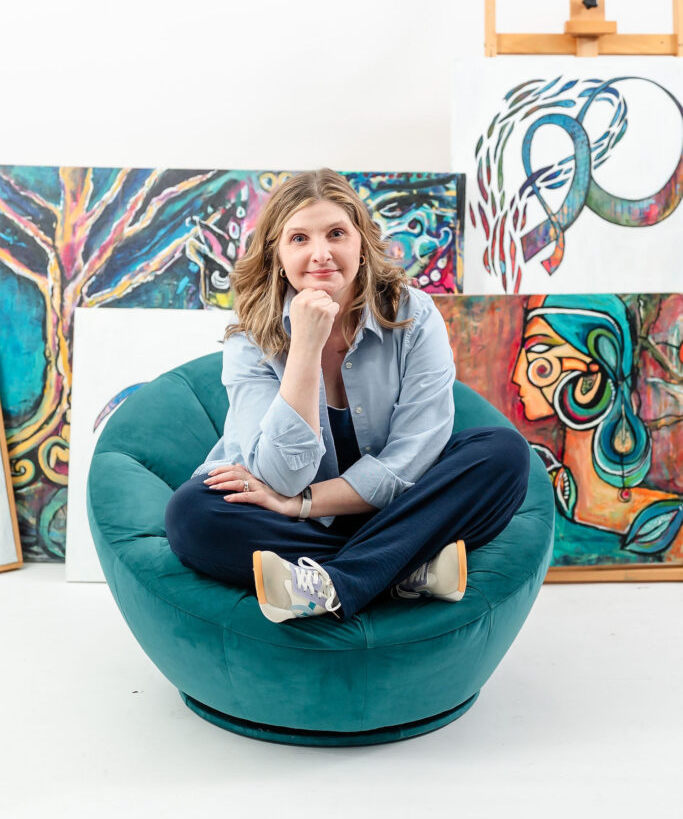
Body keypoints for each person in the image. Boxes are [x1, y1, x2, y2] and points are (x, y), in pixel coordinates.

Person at [165, 168, 530, 623]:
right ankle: (406, 566)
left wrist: (302, 503)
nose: (321, 254)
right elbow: (278, 477)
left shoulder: (414, 315)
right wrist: (304, 347)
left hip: (394, 505)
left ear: (361, 241)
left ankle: (333, 581)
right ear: (278, 255)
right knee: (191, 514)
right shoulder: (249, 338)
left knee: (504, 453)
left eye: (336, 233)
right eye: (299, 239)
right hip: (296, 518)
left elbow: (414, 455)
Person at [512, 294, 683, 559]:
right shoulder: (534, 477)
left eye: (538, 356)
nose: (516, 375)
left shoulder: (671, 525)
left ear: (590, 377)